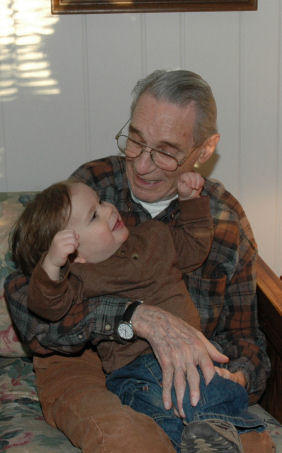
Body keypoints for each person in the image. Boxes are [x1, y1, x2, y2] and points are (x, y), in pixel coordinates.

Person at [5, 69, 274, 453]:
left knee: (248, 442)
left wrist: (234, 378)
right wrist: (132, 316)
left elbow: (246, 339)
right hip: (90, 363)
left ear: (203, 150)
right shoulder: (93, 186)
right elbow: (27, 300)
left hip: (192, 370)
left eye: (166, 151)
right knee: (131, 440)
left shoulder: (222, 220)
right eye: (135, 140)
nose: (142, 165)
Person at [11, 177, 264, 453]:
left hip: (191, 353)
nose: (109, 210)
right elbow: (48, 306)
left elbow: (194, 247)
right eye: (94, 215)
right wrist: (51, 265)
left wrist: (191, 203)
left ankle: (213, 433)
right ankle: (202, 438)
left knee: (214, 389)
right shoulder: (79, 278)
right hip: (133, 370)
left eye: (102, 202)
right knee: (154, 413)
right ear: (75, 254)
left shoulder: (153, 236)